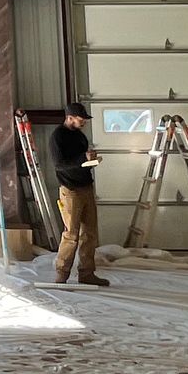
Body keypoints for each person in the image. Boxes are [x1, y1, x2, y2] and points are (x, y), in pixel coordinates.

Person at [49, 102, 108, 286]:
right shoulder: (58, 136)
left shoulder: (80, 136)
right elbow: (59, 165)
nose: (84, 122)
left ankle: (87, 273)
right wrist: (83, 158)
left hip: (86, 187)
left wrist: (90, 160)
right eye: (81, 119)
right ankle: (62, 273)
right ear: (70, 118)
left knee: (90, 233)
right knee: (71, 234)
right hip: (70, 190)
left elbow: (81, 162)